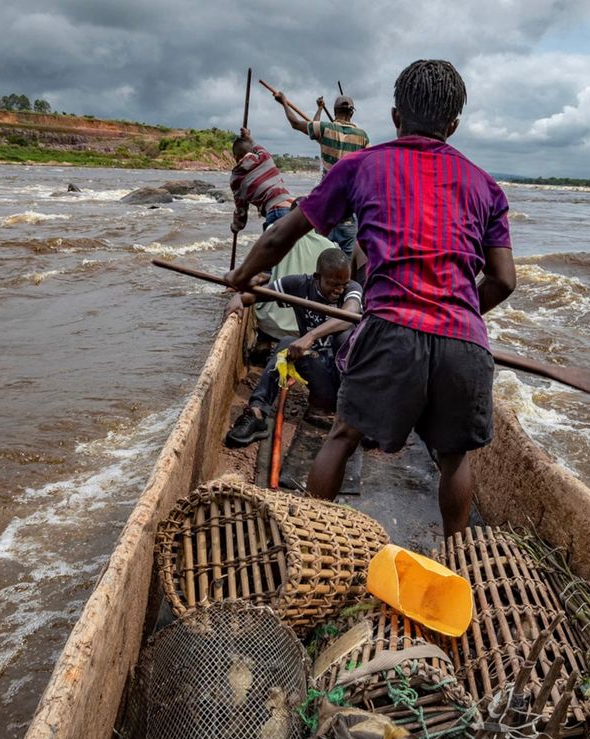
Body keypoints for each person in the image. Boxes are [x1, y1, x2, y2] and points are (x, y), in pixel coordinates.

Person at [226, 59, 518, 538]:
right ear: (453, 125)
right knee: (453, 457)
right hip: (464, 341)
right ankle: (458, 564)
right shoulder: (487, 186)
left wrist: (242, 276)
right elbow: (503, 281)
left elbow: (280, 236)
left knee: (343, 435)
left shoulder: (361, 166)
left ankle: (312, 543)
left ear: (396, 117)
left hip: (388, 333)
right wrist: (456, 316)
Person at [222, 248, 362, 447]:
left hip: (349, 385)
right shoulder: (300, 286)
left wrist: (311, 335)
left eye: (343, 285)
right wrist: (239, 298)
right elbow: (257, 295)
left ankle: (357, 414)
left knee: (345, 337)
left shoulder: (352, 289)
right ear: (317, 277)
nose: (338, 290)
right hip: (320, 376)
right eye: (332, 284)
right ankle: (257, 411)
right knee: (286, 344)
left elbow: (349, 315)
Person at [262, 80, 369, 262]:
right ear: (352, 112)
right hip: (347, 215)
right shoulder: (362, 136)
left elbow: (296, 123)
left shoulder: (325, 128)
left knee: (321, 259)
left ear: (335, 112)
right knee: (346, 264)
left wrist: (284, 102)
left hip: (325, 210)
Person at [228, 130, 296, 234]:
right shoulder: (266, 157)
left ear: (236, 157)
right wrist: (248, 137)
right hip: (295, 209)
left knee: (272, 249)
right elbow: (256, 146)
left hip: (277, 211)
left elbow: (241, 211)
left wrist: (236, 227)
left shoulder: (236, 178)